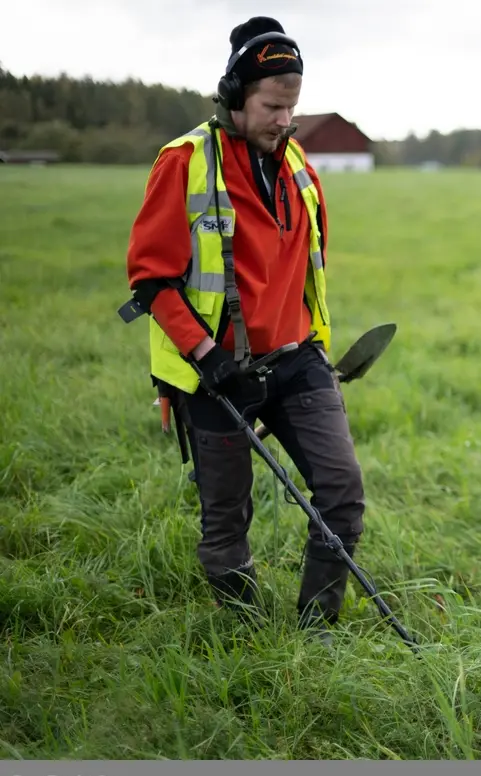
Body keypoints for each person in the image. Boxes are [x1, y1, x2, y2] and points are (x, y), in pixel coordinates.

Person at [121, 16, 365, 642]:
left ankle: (318, 631)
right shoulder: (184, 162)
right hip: (215, 372)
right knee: (226, 521)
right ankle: (247, 632)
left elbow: (312, 263)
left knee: (341, 492)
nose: (283, 120)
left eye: (292, 108)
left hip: (297, 357)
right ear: (234, 97)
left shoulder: (301, 167)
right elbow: (150, 279)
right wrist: (207, 355)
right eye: (271, 106)